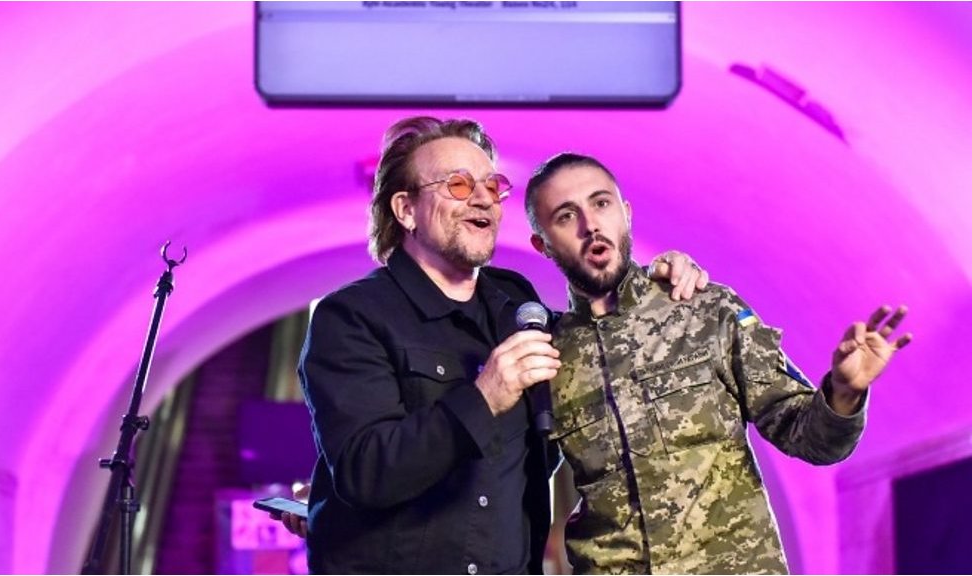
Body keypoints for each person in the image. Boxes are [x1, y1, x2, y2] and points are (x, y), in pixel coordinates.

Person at [291, 117, 707, 574]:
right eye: (458, 184)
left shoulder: (518, 305)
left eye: (492, 184)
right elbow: (365, 471)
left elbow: (600, 346)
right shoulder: (351, 317)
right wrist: (484, 396)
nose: (484, 197)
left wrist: (654, 282)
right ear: (406, 210)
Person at [524, 152, 913, 574]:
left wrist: (844, 392)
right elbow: (512, 490)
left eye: (601, 203)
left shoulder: (707, 310)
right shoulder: (546, 359)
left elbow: (810, 438)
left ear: (626, 212)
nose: (590, 225)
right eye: (566, 216)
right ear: (542, 244)